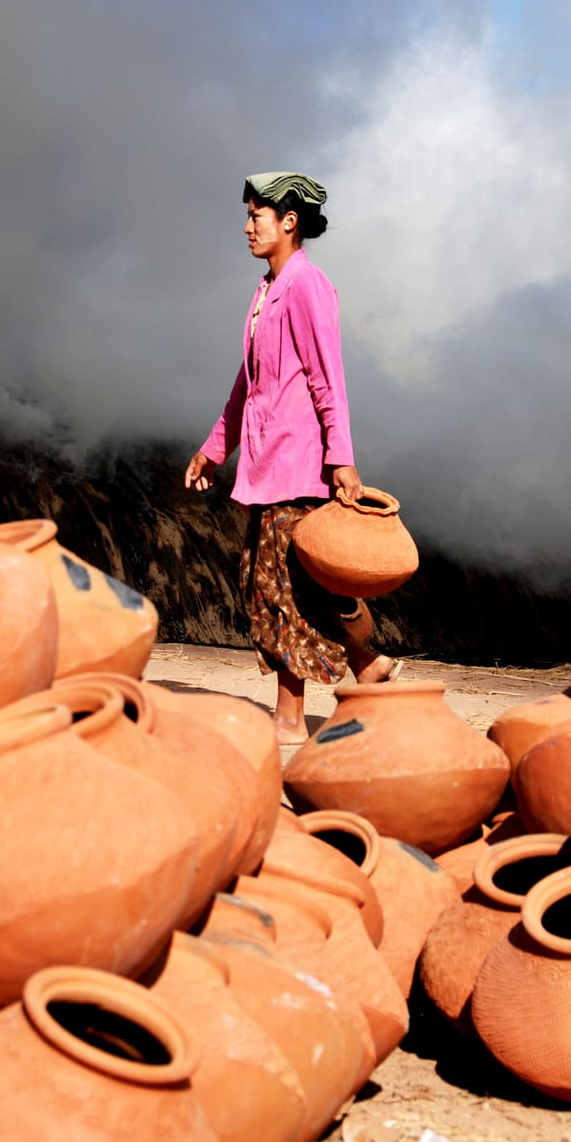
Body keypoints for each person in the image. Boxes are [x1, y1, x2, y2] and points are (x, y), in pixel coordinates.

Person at [185, 171, 401, 745]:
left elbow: (329, 378)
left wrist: (341, 458)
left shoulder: (307, 284)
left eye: (257, 215)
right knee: (281, 585)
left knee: (278, 587)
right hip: (265, 463)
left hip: (299, 463)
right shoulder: (266, 289)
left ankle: (288, 715)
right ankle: (368, 667)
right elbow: (248, 382)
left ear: (290, 222)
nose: (248, 225)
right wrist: (214, 448)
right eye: (249, 214)